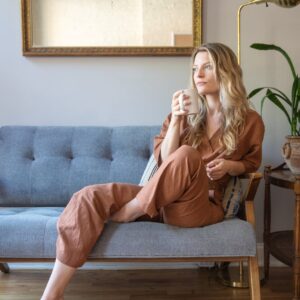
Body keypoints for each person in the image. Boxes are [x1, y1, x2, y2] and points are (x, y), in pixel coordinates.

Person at [41, 42, 264, 300]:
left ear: (226, 72)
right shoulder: (182, 116)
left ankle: (134, 210)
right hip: (157, 199)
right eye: (194, 69)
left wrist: (229, 166)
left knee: (187, 154)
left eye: (207, 67)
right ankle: (51, 295)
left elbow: (251, 163)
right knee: (88, 196)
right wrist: (178, 121)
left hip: (199, 205)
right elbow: (166, 161)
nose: (198, 75)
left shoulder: (249, 121)